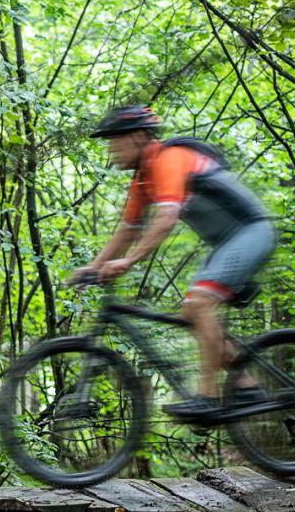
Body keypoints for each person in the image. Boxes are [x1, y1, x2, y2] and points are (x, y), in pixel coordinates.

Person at [69, 105, 276, 422]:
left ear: (138, 137)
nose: (110, 149)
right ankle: (247, 387)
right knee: (194, 314)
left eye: (115, 140)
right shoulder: (142, 179)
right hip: (227, 243)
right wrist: (95, 267)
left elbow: (165, 219)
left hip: (252, 232)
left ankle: (207, 396)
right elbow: (128, 230)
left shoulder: (168, 159)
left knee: (199, 305)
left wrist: (127, 263)